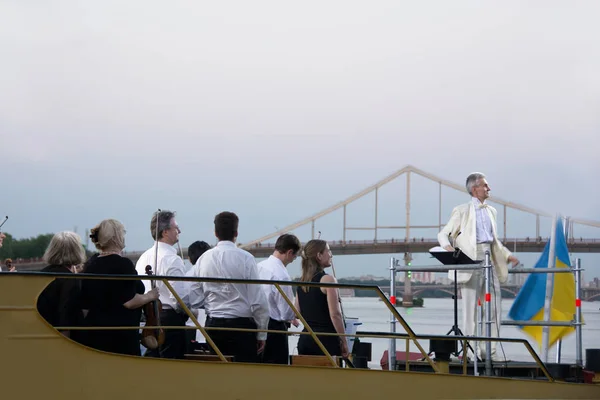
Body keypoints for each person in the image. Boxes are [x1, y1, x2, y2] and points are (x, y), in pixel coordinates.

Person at [438, 172, 519, 361]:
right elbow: (443, 233)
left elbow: (494, 241)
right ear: (475, 189)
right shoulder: (461, 210)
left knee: (495, 308)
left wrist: (508, 255)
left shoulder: (492, 211)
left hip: (489, 259)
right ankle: (470, 351)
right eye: (485, 185)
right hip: (469, 261)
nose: (489, 189)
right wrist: (448, 247)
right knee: (470, 310)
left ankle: (489, 351)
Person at [189, 211, 269, 363]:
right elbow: (258, 301)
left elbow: (194, 297)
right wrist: (262, 334)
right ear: (236, 233)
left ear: (215, 233)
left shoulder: (203, 259)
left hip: (214, 325)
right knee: (245, 375)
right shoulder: (246, 258)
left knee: (218, 375)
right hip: (242, 326)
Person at [80, 219, 159, 356]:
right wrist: (150, 296)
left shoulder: (90, 264)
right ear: (116, 237)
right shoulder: (123, 264)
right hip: (120, 338)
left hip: (94, 334)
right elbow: (129, 301)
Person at [135, 210, 189, 359]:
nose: (179, 231)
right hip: (169, 321)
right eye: (175, 227)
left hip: (147, 319)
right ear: (165, 232)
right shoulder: (173, 259)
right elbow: (180, 301)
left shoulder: (143, 258)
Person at [296, 239, 349, 359]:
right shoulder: (328, 280)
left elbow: (297, 312)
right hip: (326, 340)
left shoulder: (302, 281)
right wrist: (344, 341)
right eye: (329, 251)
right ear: (319, 255)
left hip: (306, 339)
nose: (331, 255)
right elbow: (335, 315)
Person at [257, 234, 301, 364]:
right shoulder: (282, 275)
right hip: (274, 329)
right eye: (295, 256)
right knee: (277, 368)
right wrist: (294, 315)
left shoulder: (258, 266)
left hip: (255, 324)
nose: (293, 260)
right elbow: (286, 312)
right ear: (289, 252)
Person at [37, 231, 86, 340]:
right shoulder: (70, 279)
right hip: (64, 341)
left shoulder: (40, 274)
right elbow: (66, 316)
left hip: (41, 335)